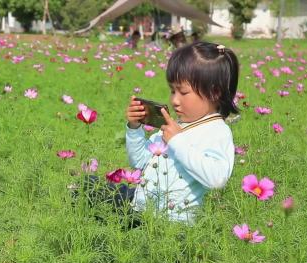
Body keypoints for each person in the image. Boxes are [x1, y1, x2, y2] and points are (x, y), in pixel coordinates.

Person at [77, 42, 238, 226]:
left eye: (183, 92)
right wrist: (135, 128)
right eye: (172, 91)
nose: (175, 100)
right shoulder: (176, 125)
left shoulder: (217, 131)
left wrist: (178, 141)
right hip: (140, 206)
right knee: (88, 185)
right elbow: (139, 162)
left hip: (169, 223)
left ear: (214, 93)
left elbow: (216, 178)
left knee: (106, 216)